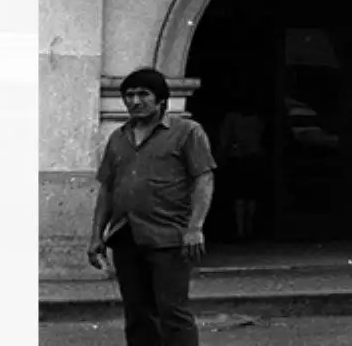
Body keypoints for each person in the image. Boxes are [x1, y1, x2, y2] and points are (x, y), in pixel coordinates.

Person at [88, 68, 217, 346]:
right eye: (129, 95)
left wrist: (195, 227)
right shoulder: (118, 138)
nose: (135, 101)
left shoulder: (186, 132)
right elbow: (107, 189)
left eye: (143, 94)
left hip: (169, 236)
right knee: (137, 315)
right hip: (125, 235)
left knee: (173, 312)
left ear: (161, 100)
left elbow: (203, 179)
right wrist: (96, 235)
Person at [217, 102, 268, 241]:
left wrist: (222, 155)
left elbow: (225, 139)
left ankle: (241, 230)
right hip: (252, 157)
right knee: (250, 195)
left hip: (239, 157)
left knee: (240, 195)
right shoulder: (257, 119)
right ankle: (248, 229)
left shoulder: (232, 118)